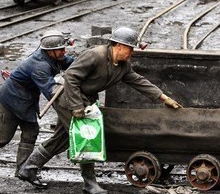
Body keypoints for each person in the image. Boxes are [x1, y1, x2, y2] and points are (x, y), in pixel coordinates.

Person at [17, 27, 182, 194]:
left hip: (85, 100)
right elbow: (72, 77)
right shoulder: (95, 55)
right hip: (68, 98)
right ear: (119, 46)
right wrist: (77, 107)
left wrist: (164, 98)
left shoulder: (123, 65)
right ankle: (90, 184)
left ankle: (28, 168)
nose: (131, 52)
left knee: (62, 138)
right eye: (130, 48)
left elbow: (138, 81)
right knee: (86, 136)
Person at [0, 30, 75, 176]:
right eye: (60, 50)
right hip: (10, 99)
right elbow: (51, 92)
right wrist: (68, 108)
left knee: (31, 132)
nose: (63, 52)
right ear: (50, 51)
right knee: (2, 138)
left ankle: (22, 170)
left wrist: (84, 63)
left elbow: (70, 63)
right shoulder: (40, 66)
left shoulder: (54, 57)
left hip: (25, 99)